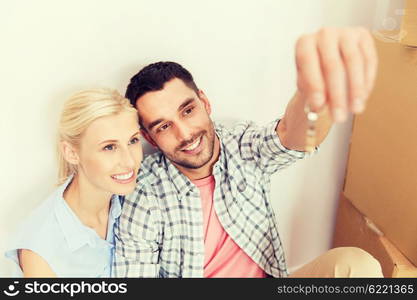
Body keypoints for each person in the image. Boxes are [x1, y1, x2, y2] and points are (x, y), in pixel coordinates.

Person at [113, 27, 382, 277]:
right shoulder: (145, 193)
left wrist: (314, 91)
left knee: (356, 266)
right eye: (164, 126)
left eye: (188, 111)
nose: (185, 134)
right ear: (148, 137)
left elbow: (291, 137)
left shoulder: (239, 145)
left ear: (204, 102)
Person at [5, 89, 143, 277]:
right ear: (71, 153)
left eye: (133, 140)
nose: (129, 161)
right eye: (109, 147)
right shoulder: (41, 248)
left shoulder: (132, 199)